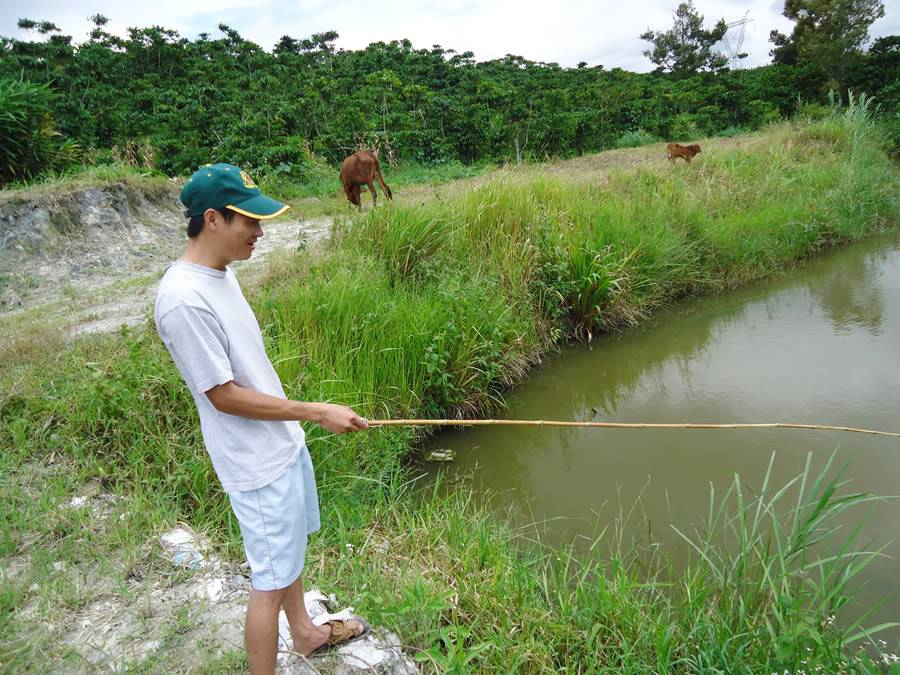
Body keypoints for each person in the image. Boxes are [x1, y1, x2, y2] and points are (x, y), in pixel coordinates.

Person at [153, 163, 370, 673]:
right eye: (249, 221)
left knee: (284, 557)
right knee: (267, 582)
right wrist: (316, 411)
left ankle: (307, 633)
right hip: (253, 462)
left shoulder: (218, 276)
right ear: (213, 219)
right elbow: (223, 396)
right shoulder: (182, 300)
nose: (260, 232)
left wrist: (297, 424)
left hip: (279, 445)